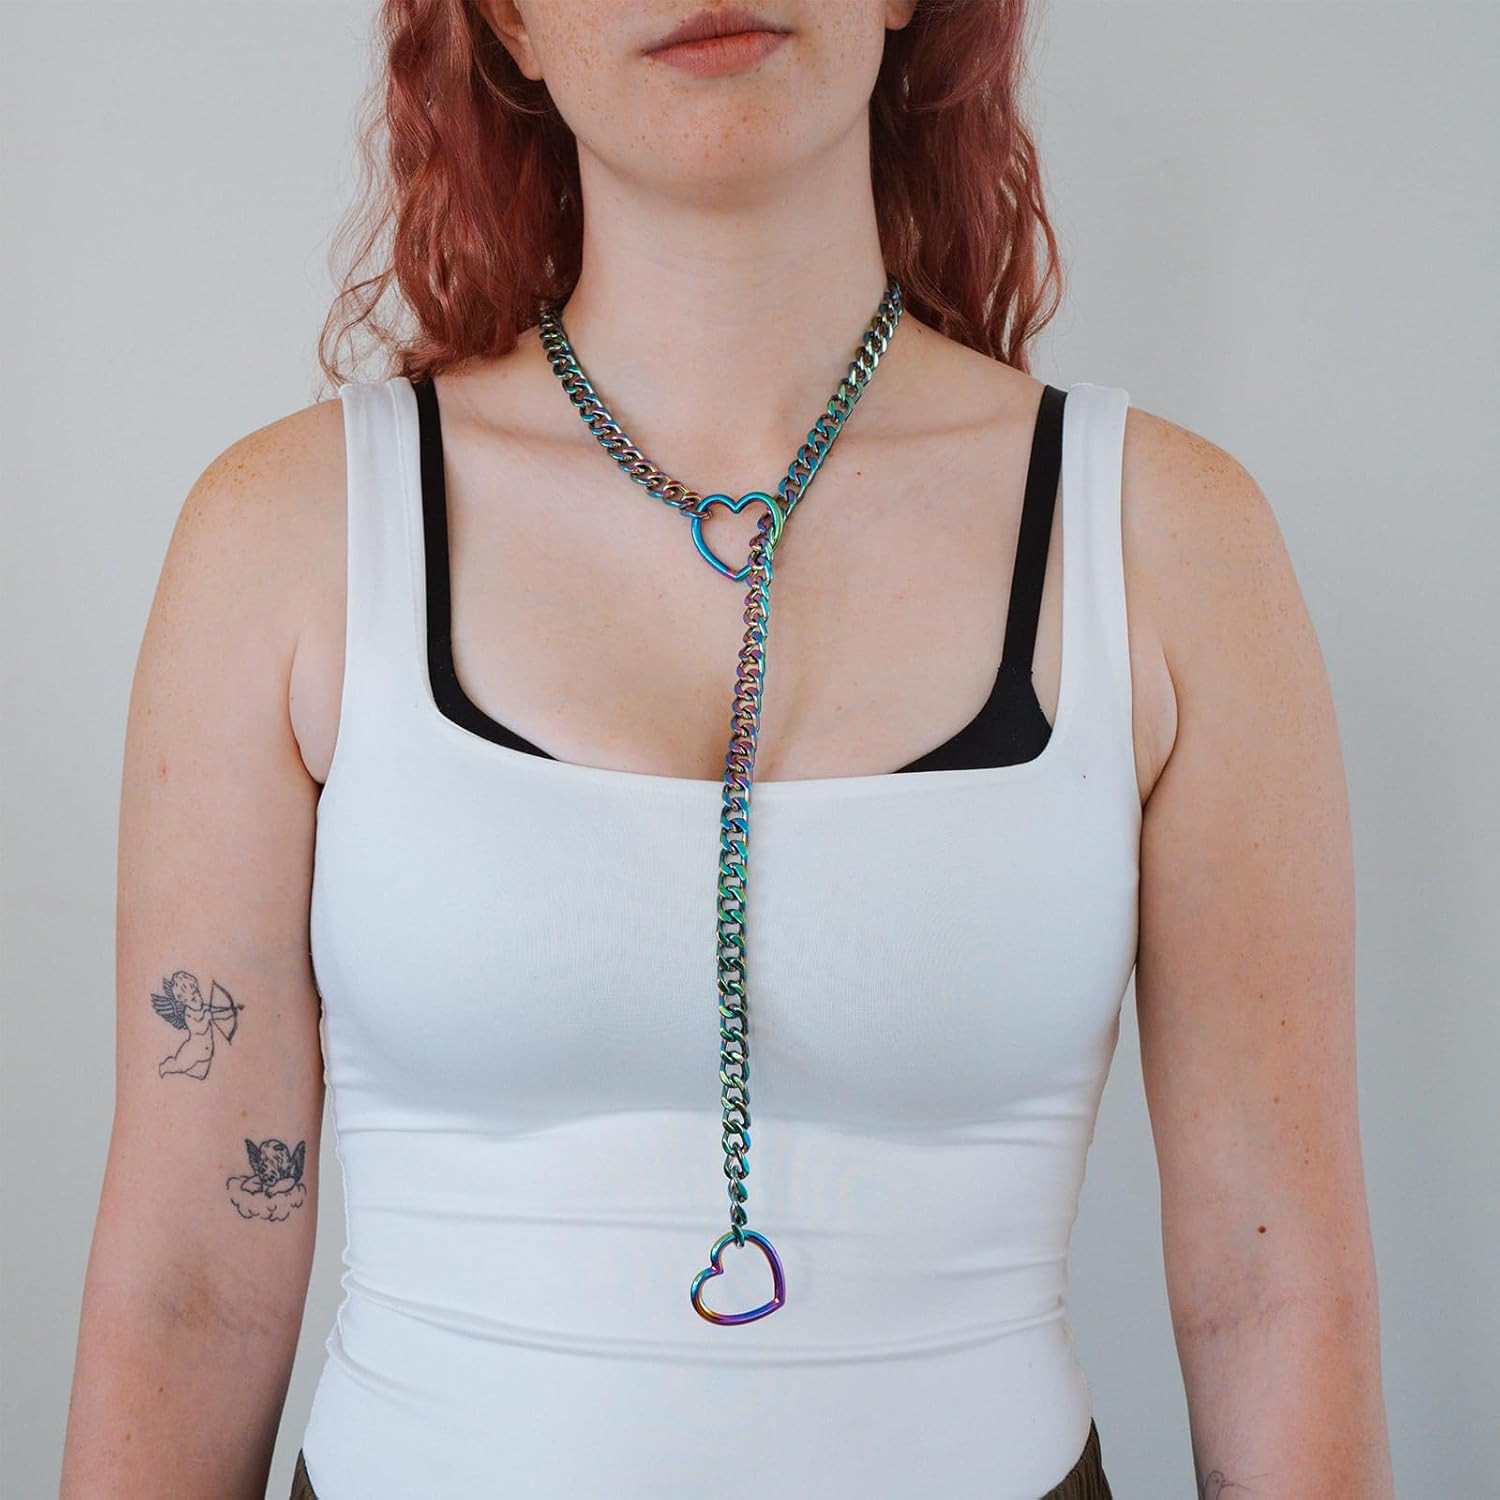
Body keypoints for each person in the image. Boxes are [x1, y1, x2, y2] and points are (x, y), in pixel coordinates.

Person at [61, 2, 1394, 1497]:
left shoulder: (1169, 539)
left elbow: (1277, 1291)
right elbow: (190, 1287)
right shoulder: (287, 535)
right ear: (508, 21)